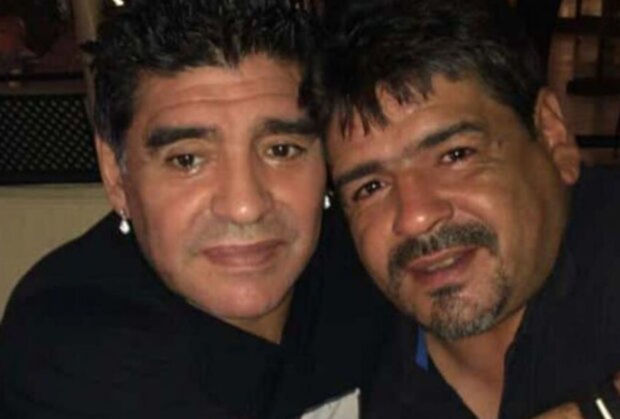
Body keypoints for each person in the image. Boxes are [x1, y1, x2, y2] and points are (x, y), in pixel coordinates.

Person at [0, 1, 391, 417]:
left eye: (281, 150)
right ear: (116, 174)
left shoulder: (374, 259)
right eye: (187, 160)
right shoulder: (67, 346)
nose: (244, 206)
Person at [309, 0, 620, 417]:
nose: (415, 217)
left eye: (455, 155)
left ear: (551, 134)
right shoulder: (356, 351)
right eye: (371, 187)